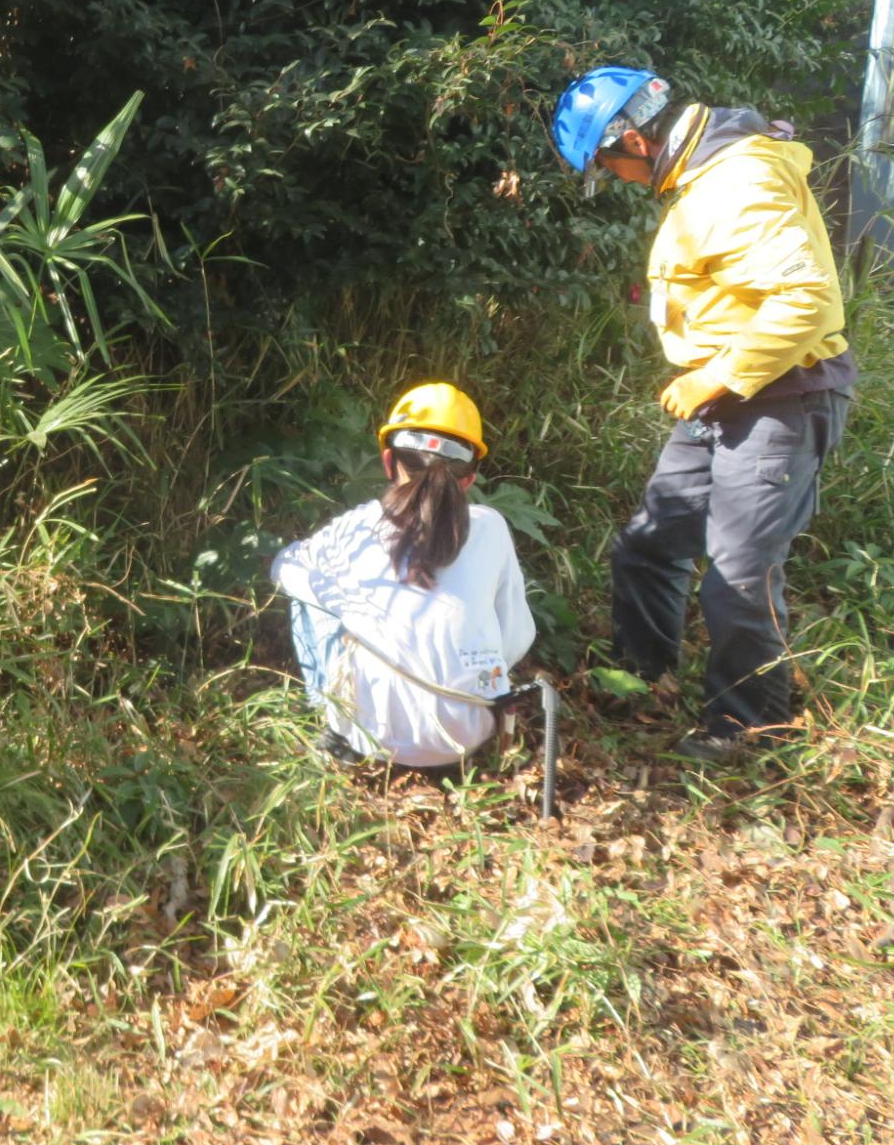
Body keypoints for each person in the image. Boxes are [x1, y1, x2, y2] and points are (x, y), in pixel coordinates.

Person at [552, 66, 856, 761]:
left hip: (778, 395)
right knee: (649, 544)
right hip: (729, 394)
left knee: (739, 574)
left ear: (632, 137)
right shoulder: (709, 174)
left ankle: (748, 731)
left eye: (609, 164)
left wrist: (717, 374)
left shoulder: (737, 181)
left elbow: (806, 300)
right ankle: (642, 682)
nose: (620, 179)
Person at [271, 383, 536, 770]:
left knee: (303, 586)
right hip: (466, 734)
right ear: (469, 478)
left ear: (387, 460)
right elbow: (516, 635)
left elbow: (284, 569)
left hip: (369, 735)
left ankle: (336, 731)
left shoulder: (357, 526)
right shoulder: (491, 526)